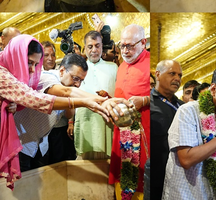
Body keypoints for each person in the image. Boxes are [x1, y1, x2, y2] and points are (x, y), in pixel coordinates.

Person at [0, 34, 117, 189]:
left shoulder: (31, 77)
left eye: (35, 64)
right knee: (21, 189)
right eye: (75, 79)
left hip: (39, 146)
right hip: (21, 146)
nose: (32, 69)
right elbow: (45, 97)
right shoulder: (46, 77)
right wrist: (93, 102)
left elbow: (68, 106)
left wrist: (94, 100)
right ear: (61, 70)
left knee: (35, 187)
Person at [162, 65, 216, 200]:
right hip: (186, 194)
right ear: (214, 89)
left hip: (213, 195)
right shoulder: (188, 111)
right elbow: (186, 159)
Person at [109, 24, 150, 199]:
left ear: (143, 42)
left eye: (130, 46)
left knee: (141, 177)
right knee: (122, 172)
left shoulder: (151, 63)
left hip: (144, 132)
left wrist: (145, 100)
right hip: (121, 132)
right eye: (122, 45)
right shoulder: (120, 67)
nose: (125, 50)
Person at [74, 31, 118, 159]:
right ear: (84, 48)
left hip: (106, 120)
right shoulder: (77, 69)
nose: (94, 50)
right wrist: (71, 122)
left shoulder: (113, 67)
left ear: (102, 46)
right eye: (90, 46)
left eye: (97, 46)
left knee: (107, 159)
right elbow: (70, 95)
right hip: (84, 120)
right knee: (84, 158)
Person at [151, 59, 184, 199]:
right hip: (155, 176)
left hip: (180, 177)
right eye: (172, 73)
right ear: (157, 75)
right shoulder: (148, 103)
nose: (177, 79)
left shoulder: (183, 107)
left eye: (180, 75)